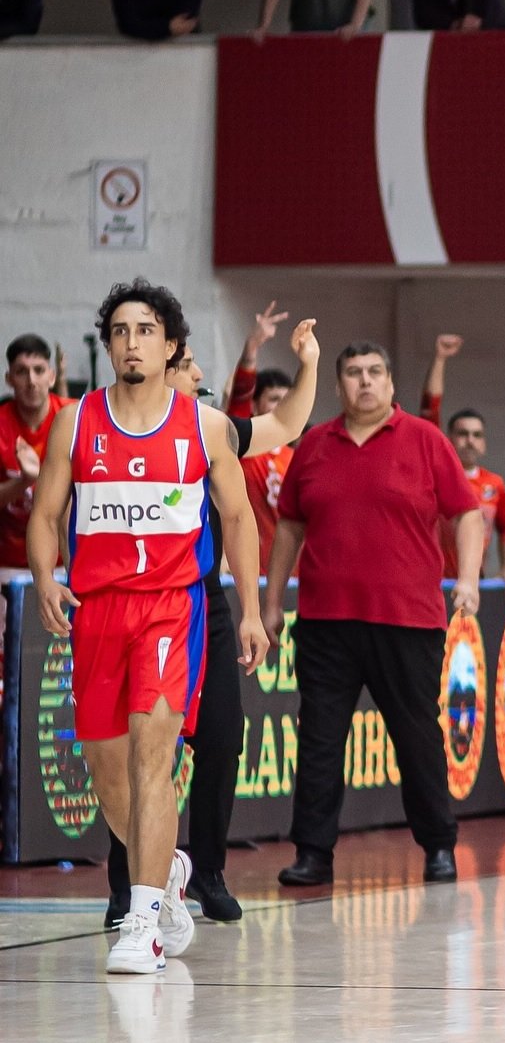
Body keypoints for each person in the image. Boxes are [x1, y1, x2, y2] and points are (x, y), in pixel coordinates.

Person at [27, 279, 267, 974]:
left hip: (170, 607)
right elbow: (45, 515)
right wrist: (45, 577)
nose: (132, 342)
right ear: (108, 346)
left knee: (151, 757)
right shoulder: (75, 421)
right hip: (98, 609)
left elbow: (239, 517)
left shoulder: (204, 426)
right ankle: (168, 869)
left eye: (146, 330)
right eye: (120, 331)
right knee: (109, 777)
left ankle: (142, 924)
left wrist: (252, 610)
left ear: (171, 347)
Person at [104, 321, 319, 927]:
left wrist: (308, 363)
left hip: (204, 602)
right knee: (142, 750)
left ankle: (208, 872)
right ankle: (128, 885)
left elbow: (285, 425)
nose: (200, 375)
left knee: (223, 738)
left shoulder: (208, 428)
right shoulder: (107, 431)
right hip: (137, 605)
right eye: (190, 365)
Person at [264, 340, 483, 887]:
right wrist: (269, 604)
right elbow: (288, 526)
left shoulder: (426, 440)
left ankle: (438, 846)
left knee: (417, 737)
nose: (365, 381)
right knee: (319, 739)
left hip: (408, 621)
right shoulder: (313, 446)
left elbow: (467, 514)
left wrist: (469, 580)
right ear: (338, 384)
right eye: (354, 373)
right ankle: (312, 854)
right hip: (325, 621)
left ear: (390, 383)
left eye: (375, 372)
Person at [420, 334, 505, 597]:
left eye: (477, 435)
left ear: (484, 443)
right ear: (448, 439)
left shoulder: (494, 484)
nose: (470, 441)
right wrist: (440, 359)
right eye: (463, 434)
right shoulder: (435, 474)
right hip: (430, 584)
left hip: (472, 586)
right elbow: (430, 408)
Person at [0, 335, 72, 634]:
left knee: (60, 655)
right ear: (9, 379)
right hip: (8, 567)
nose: (31, 381)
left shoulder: (74, 417)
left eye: (39, 370)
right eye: (22, 371)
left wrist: (41, 477)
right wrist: (24, 482)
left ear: (52, 376)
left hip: (65, 564)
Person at [224, 300, 298, 573]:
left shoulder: (297, 458)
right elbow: (239, 400)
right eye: (274, 399)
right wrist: (251, 348)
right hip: (250, 576)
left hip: (296, 577)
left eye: (286, 400)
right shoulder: (244, 449)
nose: (282, 406)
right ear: (255, 405)